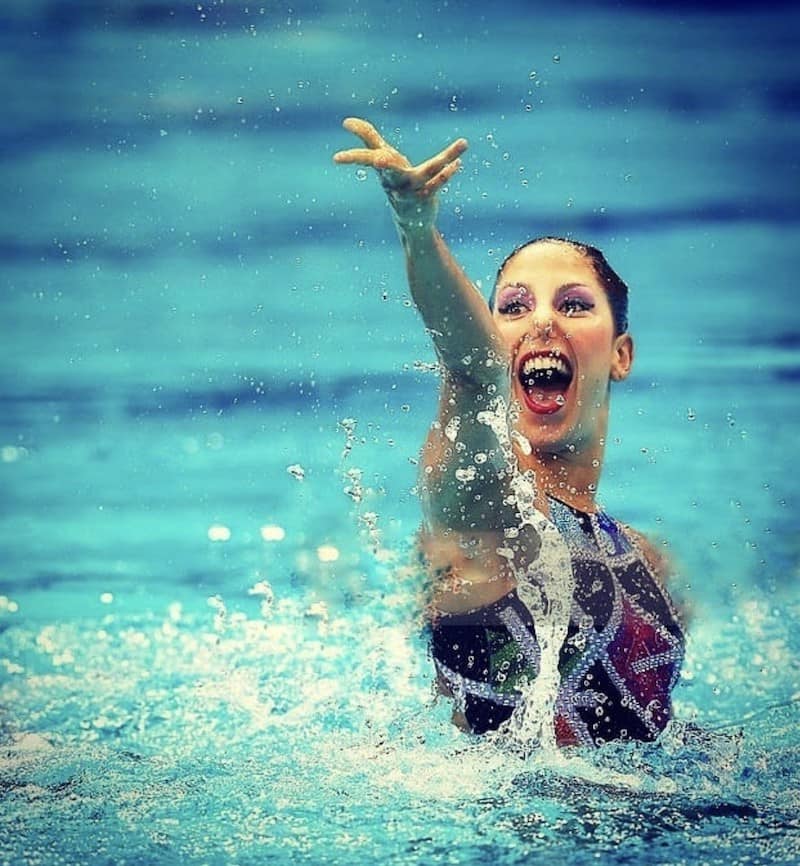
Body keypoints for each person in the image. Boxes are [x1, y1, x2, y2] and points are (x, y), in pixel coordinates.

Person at [333, 118, 685, 748]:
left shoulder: (649, 562)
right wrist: (418, 231)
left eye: (573, 305)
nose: (542, 321)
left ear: (621, 354)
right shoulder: (484, 510)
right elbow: (472, 373)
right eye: (514, 307)